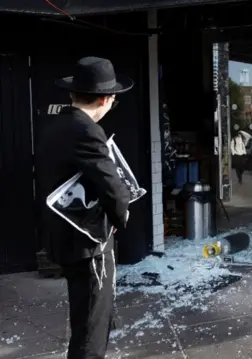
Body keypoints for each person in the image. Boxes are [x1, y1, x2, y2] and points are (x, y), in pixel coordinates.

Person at [36, 56, 133, 358]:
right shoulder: (87, 130)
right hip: (88, 244)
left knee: (87, 316)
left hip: (65, 239)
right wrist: (121, 215)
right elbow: (113, 188)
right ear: (104, 99)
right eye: (113, 100)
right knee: (90, 329)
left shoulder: (56, 125)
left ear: (72, 94)